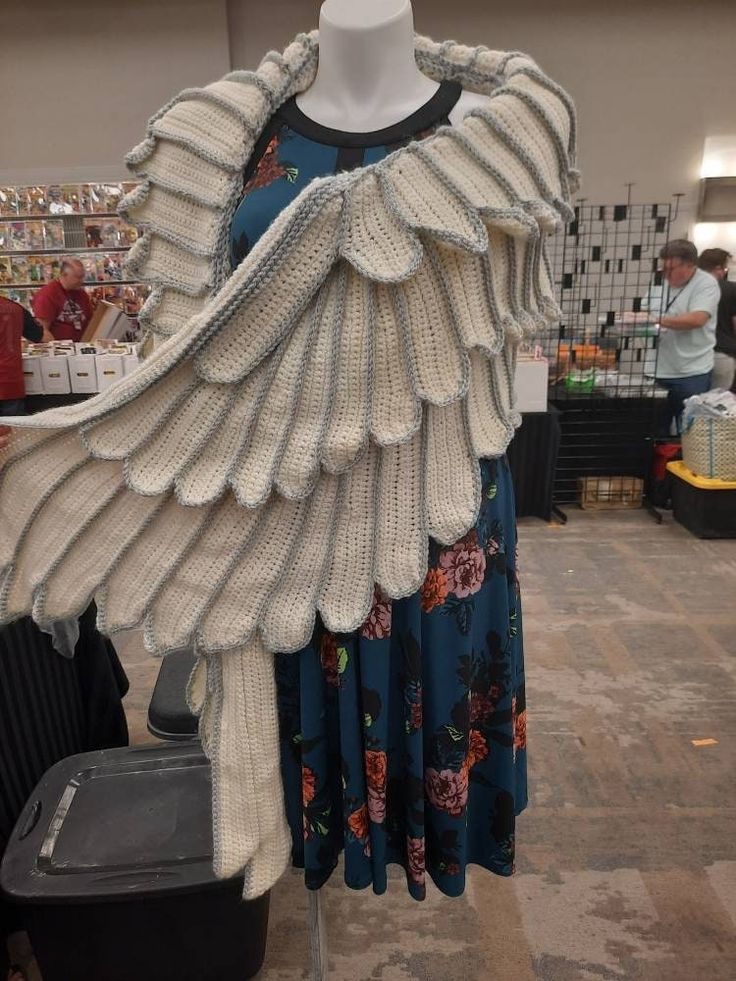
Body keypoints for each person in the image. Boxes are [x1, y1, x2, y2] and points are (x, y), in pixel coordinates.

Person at [654, 239, 720, 435]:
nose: (666, 274)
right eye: (663, 269)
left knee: (691, 432)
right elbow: (648, 312)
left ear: (690, 265)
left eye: (671, 269)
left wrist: (656, 319)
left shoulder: (706, 284)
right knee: (655, 431)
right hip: (659, 369)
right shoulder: (660, 283)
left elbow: (697, 319)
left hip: (691, 372)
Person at [0, 296, 50, 417]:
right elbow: (39, 336)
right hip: (11, 382)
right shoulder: (15, 308)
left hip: (10, 383)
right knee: (15, 433)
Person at [697, 247, 736, 391]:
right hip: (722, 352)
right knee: (717, 403)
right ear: (719, 268)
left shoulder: (690, 288)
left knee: (693, 401)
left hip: (694, 355)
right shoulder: (731, 289)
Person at [31, 257, 92, 342]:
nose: (81, 281)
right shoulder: (48, 294)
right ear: (64, 275)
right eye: (77, 277)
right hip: (60, 350)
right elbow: (42, 331)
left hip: (82, 348)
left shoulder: (82, 294)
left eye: (82, 277)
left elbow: (90, 322)